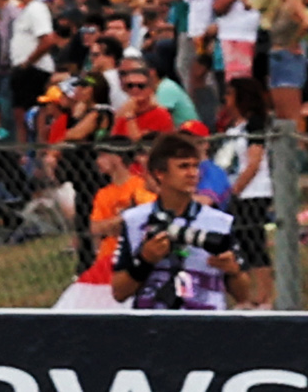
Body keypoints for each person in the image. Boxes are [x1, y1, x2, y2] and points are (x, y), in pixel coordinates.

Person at [103, 133, 247, 311]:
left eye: (195, 166)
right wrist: (145, 259)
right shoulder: (134, 220)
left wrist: (233, 271)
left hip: (206, 323)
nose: (192, 173)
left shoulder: (220, 222)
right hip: (152, 322)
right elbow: (119, 293)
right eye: (183, 167)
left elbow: (244, 296)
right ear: (160, 173)